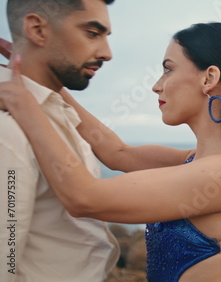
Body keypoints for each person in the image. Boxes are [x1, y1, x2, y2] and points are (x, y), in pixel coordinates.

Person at [0, 22, 221, 281]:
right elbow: (117, 152)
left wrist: (23, 104)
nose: (156, 85)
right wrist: (45, 80)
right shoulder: (198, 161)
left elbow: (83, 197)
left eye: (168, 69)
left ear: (209, 78)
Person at [0, 0, 119, 281]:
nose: (107, 53)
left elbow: (121, 153)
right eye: (92, 33)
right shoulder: (10, 130)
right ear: (37, 30)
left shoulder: (55, 113)